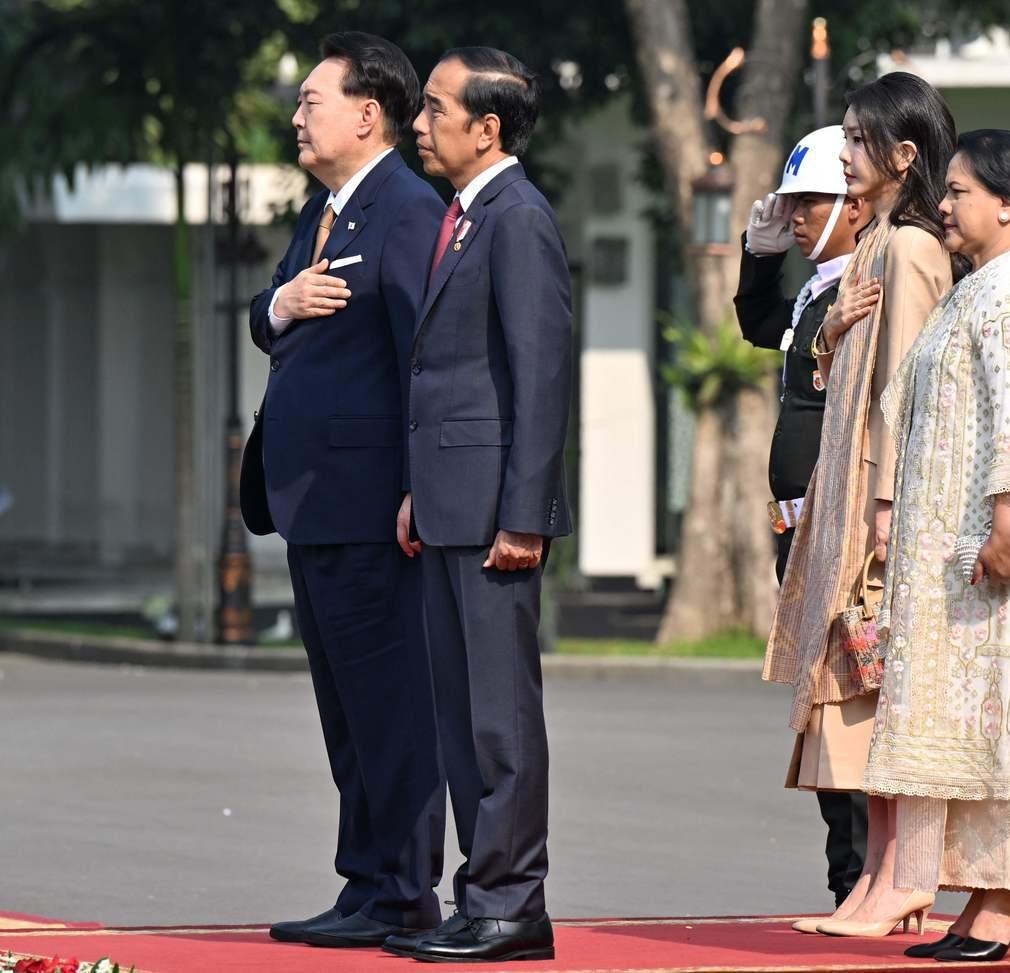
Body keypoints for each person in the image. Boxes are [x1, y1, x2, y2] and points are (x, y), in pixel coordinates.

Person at [240, 32, 445, 948]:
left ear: (368, 113)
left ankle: (404, 891)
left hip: (372, 505)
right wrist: (278, 307)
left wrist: (416, 489)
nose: (296, 117)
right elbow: (272, 307)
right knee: (345, 709)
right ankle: (364, 881)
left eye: (310, 100)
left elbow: (423, 361)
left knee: (390, 706)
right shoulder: (327, 209)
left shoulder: (404, 208)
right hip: (313, 498)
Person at [860, 129, 1010, 963]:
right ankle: (987, 892)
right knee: (971, 722)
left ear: (1008, 204)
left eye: (958, 191)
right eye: (945, 190)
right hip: (960, 546)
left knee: (1007, 716)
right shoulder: (974, 288)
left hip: (999, 544)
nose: (944, 205)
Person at [383, 47, 572, 965]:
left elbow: (539, 373)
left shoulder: (518, 217)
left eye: (432, 108)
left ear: (485, 126)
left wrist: (525, 514)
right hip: (451, 501)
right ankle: (482, 893)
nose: (418, 123)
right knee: (461, 716)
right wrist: (421, 486)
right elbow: (451, 372)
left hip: (498, 513)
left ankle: (512, 901)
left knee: (499, 717)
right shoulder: (466, 215)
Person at [762, 72, 956, 939]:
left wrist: (886, 507)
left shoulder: (910, 247)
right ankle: (876, 876)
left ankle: (899, 878)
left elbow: (910, 390)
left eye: (856, 138)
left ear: (902, 156)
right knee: (851, 692)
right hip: (843, 494)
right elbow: (838, 376)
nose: (843, 154)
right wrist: (834, 332)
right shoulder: (875, 242)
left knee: (876, 692)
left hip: (881, 503)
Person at [735, 124, 876, 912]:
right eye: (790, 201)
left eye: (813, 200)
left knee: (845, 695)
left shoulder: (864, 281)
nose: (794, 214)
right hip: (797, 521)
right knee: (816, 701)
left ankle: (857, 872)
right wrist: (758, 259)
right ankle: (845, 872)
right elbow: (760, 329)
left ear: (857, 206)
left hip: (837, 520)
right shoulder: (821, 284)